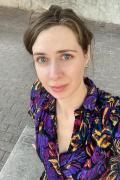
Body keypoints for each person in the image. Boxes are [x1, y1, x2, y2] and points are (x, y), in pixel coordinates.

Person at [23, 5, 120, 180]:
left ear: (86, 54)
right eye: (42, 59)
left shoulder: (113, 118)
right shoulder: (39, 94)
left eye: (66, 56)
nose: (53, 75)